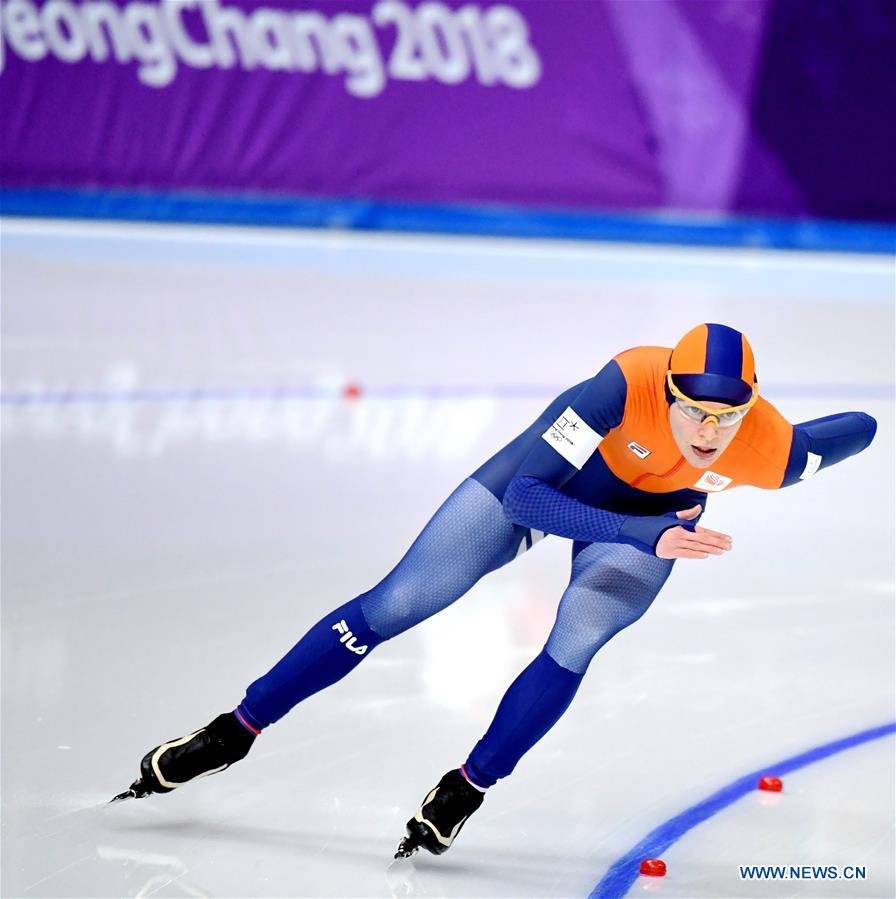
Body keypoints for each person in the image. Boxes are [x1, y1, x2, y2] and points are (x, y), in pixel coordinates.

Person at [113, 323, 877, 859]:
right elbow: (527, 500)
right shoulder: (622, 384)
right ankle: (232, 731)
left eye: (726, 417)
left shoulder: (766, 447)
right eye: (693, 412)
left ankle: (467, 788)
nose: (708, 432)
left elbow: (852, 430)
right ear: (667, 392)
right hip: (554, 487)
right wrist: (643, 533)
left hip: (646, 524)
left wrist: (834, 428)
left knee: (578, 636)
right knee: (400, 601)